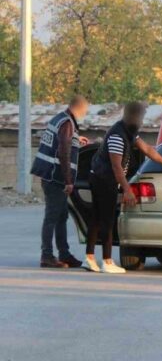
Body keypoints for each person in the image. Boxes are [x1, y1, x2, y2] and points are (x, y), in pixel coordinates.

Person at [85, 102, 162, 274]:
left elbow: (146, 149)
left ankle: (90, 258)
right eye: (141, 116)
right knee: (106, 220)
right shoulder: (117, 135)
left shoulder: (128, 131)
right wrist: (128, 189)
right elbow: (116, 167)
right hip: (103, 179)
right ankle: (107, 262)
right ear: (134, 116)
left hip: (103, 177)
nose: (142, 120)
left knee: (97, 218)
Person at [30, 95, 90, 268]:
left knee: (61, 215)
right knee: (52, 216)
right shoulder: (66, 124)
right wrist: (68, 181)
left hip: (49, 174)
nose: (85, 112)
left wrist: (77, 140)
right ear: (78, 108)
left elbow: (63, 142)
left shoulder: (59, 119)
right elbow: (63, 152)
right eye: (85, 109)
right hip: (55, 177)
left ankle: (64, 253)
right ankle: (47, 255)